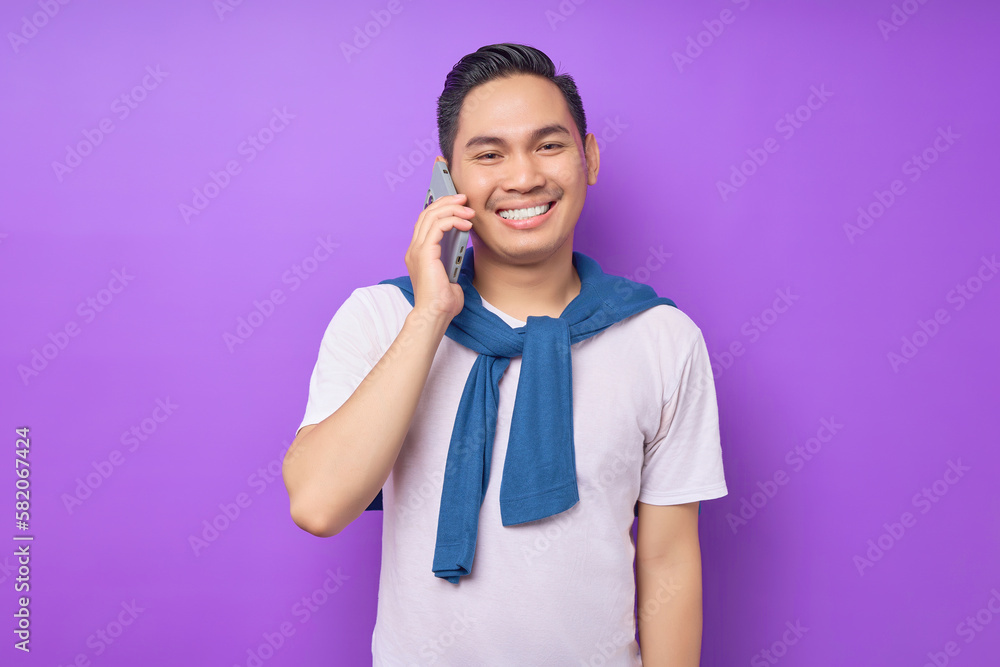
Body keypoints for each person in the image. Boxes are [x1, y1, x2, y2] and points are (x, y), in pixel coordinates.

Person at [282, 42, 727, 666]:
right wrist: (431, 315)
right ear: (448, 180)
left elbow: (669, 560)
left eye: (548, 145)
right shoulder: (380, 318)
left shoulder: (661, 338)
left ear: (590, 157)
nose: (523, 177)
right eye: (489, 154)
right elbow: (318, 504)